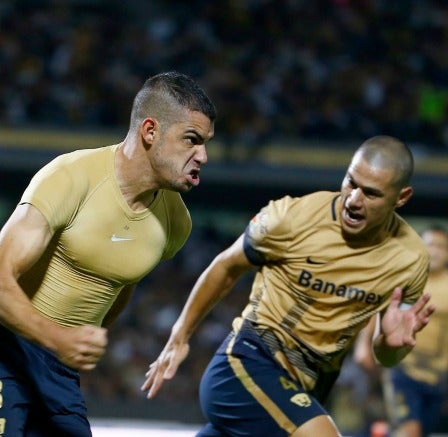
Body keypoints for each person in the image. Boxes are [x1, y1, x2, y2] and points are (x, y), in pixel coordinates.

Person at [0, 71, 217, 436]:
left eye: (205, 143)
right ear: (150, 131)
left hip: (57, 370)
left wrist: (82, 339)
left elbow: (124, 281)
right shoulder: (71, 177)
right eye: (192, 140)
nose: (203, 155)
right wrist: (59, 338)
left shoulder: (175, 224)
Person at [142, 135, 436, 437]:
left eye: (371, 194)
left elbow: (385, 356)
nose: (353, 200)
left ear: (401, 197)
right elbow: (226, 266)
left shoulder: (410, 259)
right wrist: (180, 335)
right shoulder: (292, 218)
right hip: (249, 363)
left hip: (311, 385)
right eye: (351, 182)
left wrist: (389, 343)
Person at [354, 225, 448, 437]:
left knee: (423, 431)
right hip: (403, 371)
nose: (435, 251)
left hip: (439, 378)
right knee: (410, 432)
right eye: (430, 245)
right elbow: (376, 310)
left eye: (441, 246)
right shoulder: (405, 281)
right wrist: (364, 346)